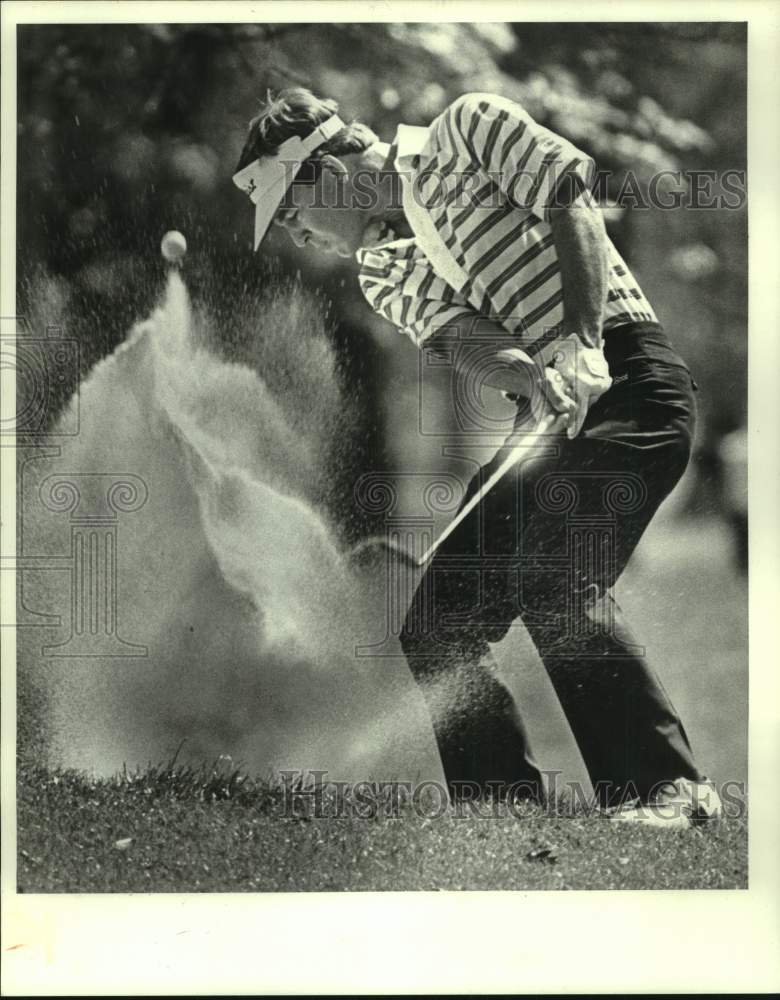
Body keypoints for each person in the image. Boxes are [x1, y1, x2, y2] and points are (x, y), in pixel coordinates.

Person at [234, 87, 721, 828]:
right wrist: (528, 372)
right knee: (437, 619)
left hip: (631, 385)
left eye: (296, 218)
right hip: (550, 413)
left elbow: (570, 199)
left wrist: (583, 343)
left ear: (326, 172)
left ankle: (670, 793)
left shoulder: (466, 129)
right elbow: (464, 338)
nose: (303, 240)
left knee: (555, 575)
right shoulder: (381, 270)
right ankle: (499, 816)